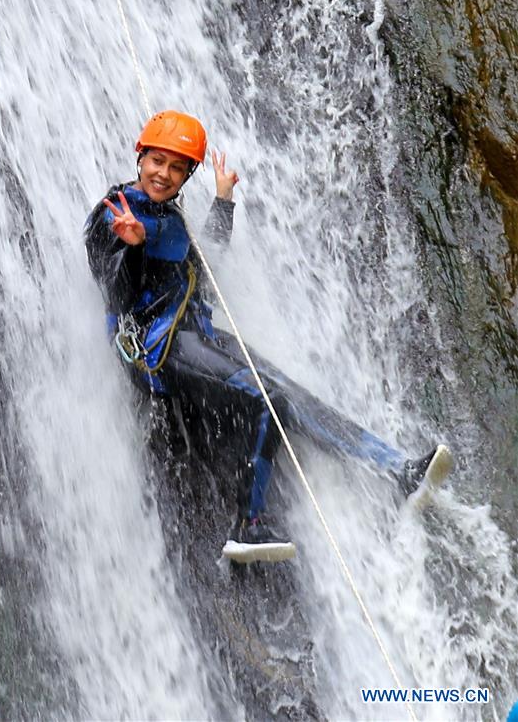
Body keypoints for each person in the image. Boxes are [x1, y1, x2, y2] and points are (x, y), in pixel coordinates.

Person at [84, 110, 453, 563]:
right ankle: (248, 526)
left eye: (176, 167)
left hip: (196, 336)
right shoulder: (113, 214)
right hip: (156, 350)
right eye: (157, 161)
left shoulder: (167, 212)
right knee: (267, 397)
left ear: (187, 175)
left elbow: (207, 264)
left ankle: (397, 471)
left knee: (294, 396)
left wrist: (223, 201)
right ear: (140, 158)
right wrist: (135, 248)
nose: (164, 173)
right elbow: (117, 296)